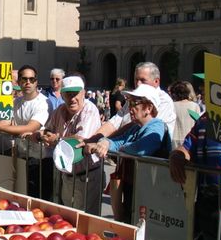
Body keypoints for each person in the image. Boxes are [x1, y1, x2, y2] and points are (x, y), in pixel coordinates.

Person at [84, 84, 171, 223]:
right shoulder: (135, 127)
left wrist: (118, 147)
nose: (130, 108)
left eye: (134, 103)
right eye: (129, 103)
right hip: (135, 187)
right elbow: (117, 141)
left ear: (148, 108)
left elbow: (142, 148)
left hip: (153, 192)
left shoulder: (157, 125)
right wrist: (105, 143)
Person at [33, 75, 103, 215]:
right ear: (62, 95)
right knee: (66, 217)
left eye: (75, 94)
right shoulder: (59, 110)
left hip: (87, 175)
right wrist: (40, 134)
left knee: (85, 221)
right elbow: (48, 129)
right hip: (66, 174)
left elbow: (80, 140)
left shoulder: (90, 109)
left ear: (83, 93)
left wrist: (56, 139)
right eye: (68, 94)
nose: (72, 98)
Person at [0, 65, 51, 199]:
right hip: (22, 157)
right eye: (24, 79)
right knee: (21, 200)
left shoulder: (43, 102)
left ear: (37, 82)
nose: (28, 82)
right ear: (19, 82)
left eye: (32, 79)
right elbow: (7, 121)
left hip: (40, 161)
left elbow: (31, 127)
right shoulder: (16, 101)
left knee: (37, 203)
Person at [93, 62, 176, 139]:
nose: (138, 84)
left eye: (143, 80)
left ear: (156, 81)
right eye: (136, 80)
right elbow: (114, 123)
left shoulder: (164, 101)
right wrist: (93, 139)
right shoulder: (134, 97)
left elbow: (141, 127)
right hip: (123, 150)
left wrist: (107, 141)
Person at [167, 80, 201, 148]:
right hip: (189, 140)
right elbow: (198, 122)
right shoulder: (194, 106)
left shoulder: (171, 105)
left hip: (173, 139)